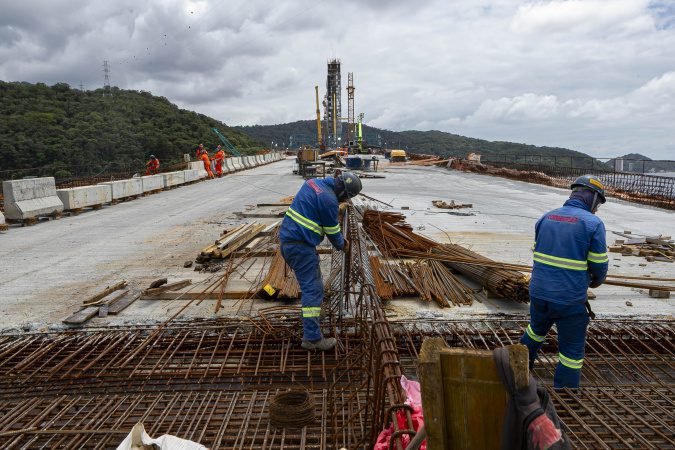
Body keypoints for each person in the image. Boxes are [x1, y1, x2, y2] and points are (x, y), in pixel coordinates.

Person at [520, 175, 609, 389]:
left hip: (539, 293)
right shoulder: (593, 223)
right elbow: (599, 265)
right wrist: (596, 281)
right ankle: (565, 394)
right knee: (571, 352)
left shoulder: (546, 217)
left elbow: (540, 251)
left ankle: (517, 371)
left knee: (535, 331)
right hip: (568, 299)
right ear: (592, 197)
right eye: (598, 204)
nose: (597, 209)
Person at [279, 172, 363, 351]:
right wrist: (343, 245)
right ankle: (312, 339)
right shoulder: (329, 201)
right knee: (313, 289)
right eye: (345, 197)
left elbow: (319, 207)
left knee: (313, 285)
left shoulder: (313, 183)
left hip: (290, 243)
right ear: (344, 192)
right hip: (300, 248)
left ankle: (313, 315)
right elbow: (333, 233)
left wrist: (336, 209)